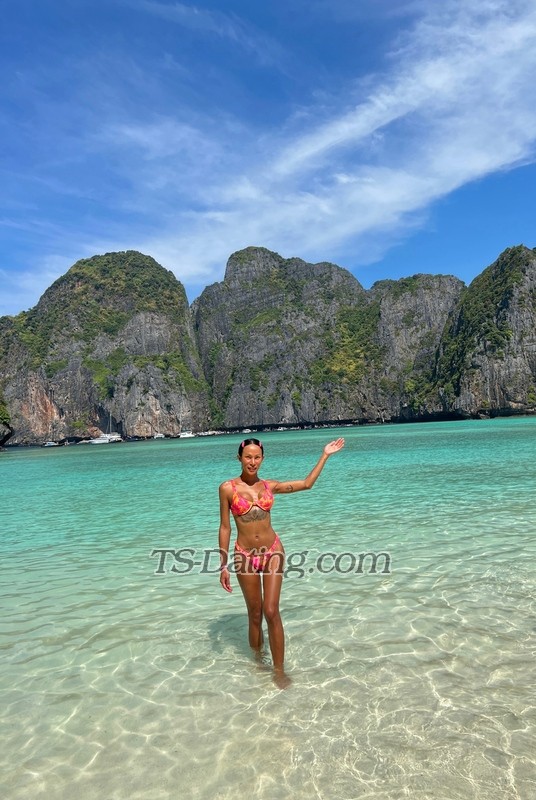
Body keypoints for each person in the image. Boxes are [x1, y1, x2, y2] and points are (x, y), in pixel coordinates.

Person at [218, 436, 345, 687]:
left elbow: (307, 484)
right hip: (244, 555)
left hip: (273, 552)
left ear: (262, 459)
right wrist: (223, 565)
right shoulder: (227, 489)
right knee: (255, 614)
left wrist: (325, 455)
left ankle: (279, 670)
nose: (252, 462)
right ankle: (258, 663)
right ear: (239, 458)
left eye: (257, 457)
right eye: (248, 457)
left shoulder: (270, 487)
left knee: (271, 610)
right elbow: (225, 527)